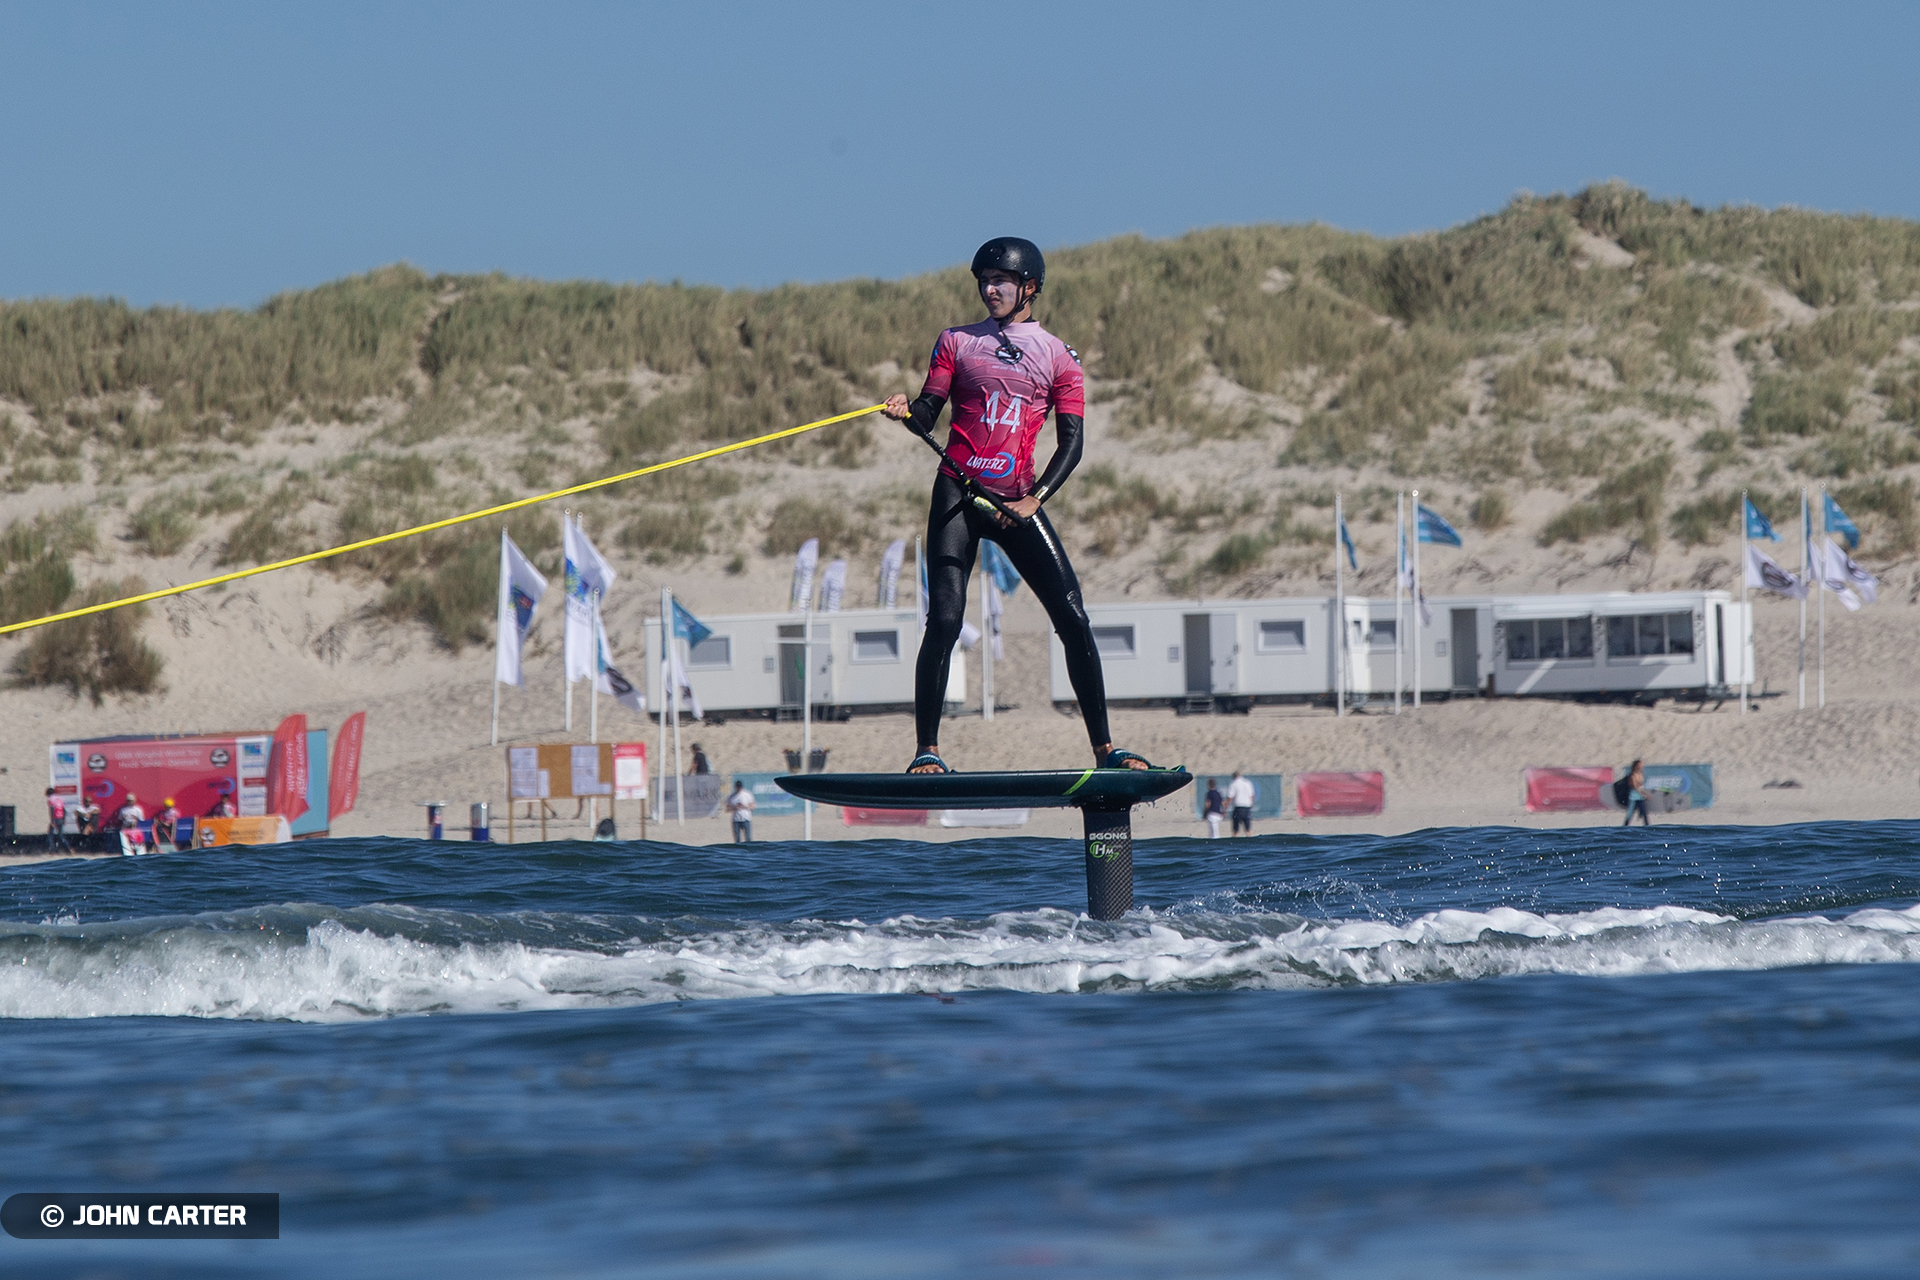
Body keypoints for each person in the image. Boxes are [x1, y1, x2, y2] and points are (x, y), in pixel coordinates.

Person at [884, 236, 1150, 775]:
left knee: (1073, 617)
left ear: (1029, 287)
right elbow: (929, 413)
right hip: (957, 493)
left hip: (1016, 500)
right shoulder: (956, 342)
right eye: (984, 281)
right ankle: (926, 750)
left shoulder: (1058, 356)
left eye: (1000, 281)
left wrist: (1034, 499)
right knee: (945, 620)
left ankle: (1106, 751)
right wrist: (907, 412)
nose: (990, 290)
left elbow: (1072, 443)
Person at [1615, 759, 1650, 827]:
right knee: (1630, 814)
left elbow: (1640, 786)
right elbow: (1635, 786)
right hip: (1633, 797)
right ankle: (1624, 827)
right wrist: (1644, 794)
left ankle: (1647, 827)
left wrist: (1643, 794)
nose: (1642, 766)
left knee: (1644, 813)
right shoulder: (1632, 775)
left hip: (1640, 797)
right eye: (1640, 765)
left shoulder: (1640, 774)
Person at [1226, 771, 1256, 836]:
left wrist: (1225, 808)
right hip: (1247, 807)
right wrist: (1251, 804)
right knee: (1248, 829)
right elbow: (1252, 795)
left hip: (1238, 807)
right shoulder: (1247, 783)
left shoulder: (1234, 784)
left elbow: (1230, 797)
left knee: (1236, 830)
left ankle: (1235, 840)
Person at [44, 788, 72, 854]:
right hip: (61, 818)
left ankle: (52, 850)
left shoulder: (50, 800)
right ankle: (69, 848)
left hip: (55, 818)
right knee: (60, 835)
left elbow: (52, 811)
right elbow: (64, 810)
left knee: (50, 835)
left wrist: (52, 821)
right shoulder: (60, 799)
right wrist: (64, 819)